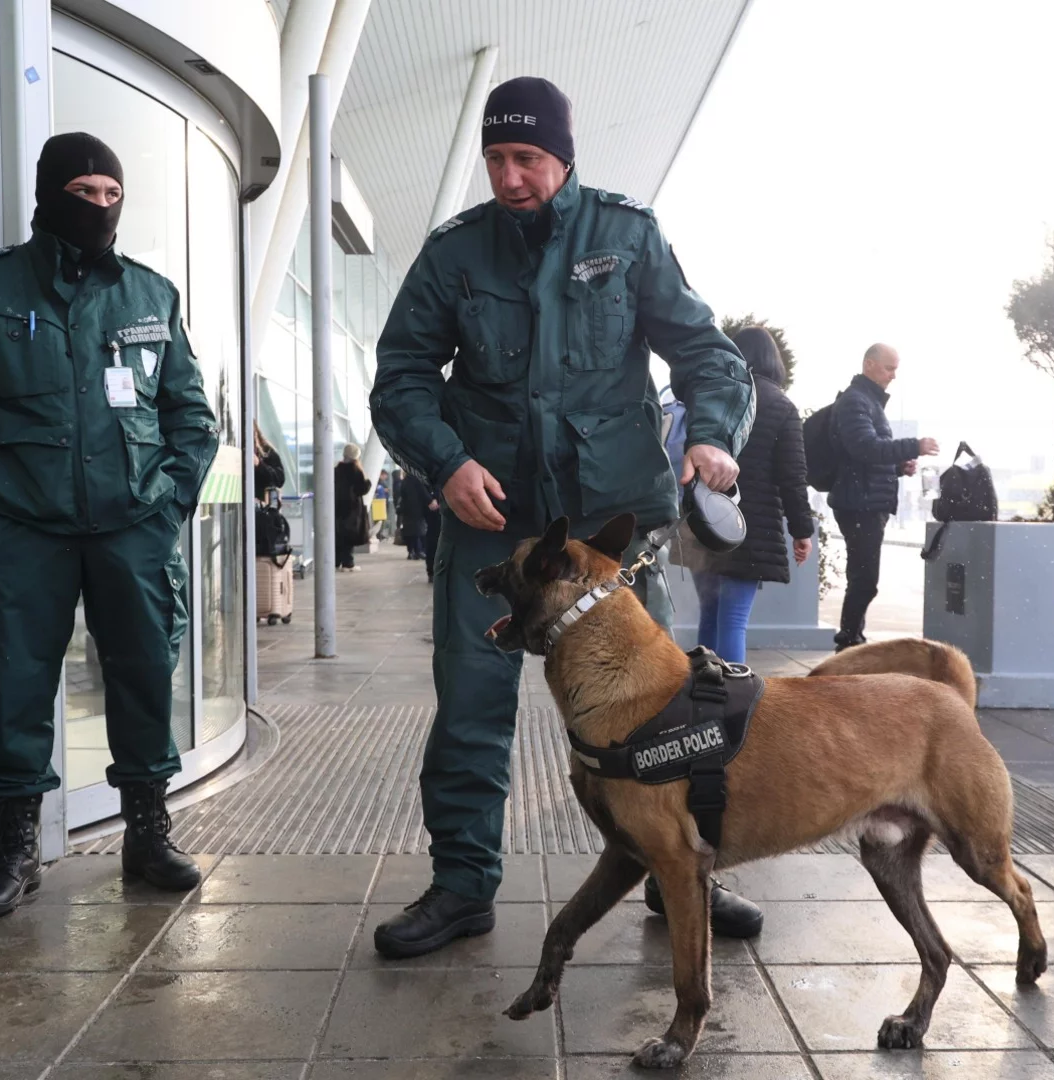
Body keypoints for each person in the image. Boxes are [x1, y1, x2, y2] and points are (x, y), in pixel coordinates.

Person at [368, 75, 760, 958]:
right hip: (494, 521)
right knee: (471, 705)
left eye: (528, 158)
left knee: (662, 711)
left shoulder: (626, 236)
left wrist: (714, 439)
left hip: (607, 534)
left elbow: (707, 353)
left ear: (564, 157)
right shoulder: (454, 254)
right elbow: (399, 378)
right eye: (497, 158)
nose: (510, 176)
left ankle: (679, 875)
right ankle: (463, 886)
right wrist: (447, 460)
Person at [0, 132, 219, 919]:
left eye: (113, 196)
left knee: (145, 672)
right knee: (16, 682)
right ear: (51, 195)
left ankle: (147, 833)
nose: (101, 208)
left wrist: (169, 503)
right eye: (86, 193)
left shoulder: (150, 295)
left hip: (132, 527)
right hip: (23, 529)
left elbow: (190, 414)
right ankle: (14, 845)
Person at [691, 327, 815, 664]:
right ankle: (732, 700)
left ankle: (701, 691)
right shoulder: (780, 406)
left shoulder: (714, 396)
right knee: (732, 620)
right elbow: (793, 477)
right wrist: (802, 531)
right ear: (773, 360)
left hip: (704, 521)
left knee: (710, 615)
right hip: (748, 529)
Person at [829, 344, 938, 651]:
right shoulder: (855, 402)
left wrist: (898, 467)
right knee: (864, 580)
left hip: (866, 500)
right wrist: (913, 446)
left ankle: (851, 639)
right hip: (859, 504)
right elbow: (864, 447)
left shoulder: (868, 403)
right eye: (889, 368)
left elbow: (868, 454)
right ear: (869, 365)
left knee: (864, 579)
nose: (893, 376)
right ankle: (848, 642)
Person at [334, 443, 371, 571]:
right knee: (349, 537)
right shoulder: (355, 470)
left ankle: (336, 562)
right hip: (352, 509)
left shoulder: (336, 470)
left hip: (338, 508)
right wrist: (367, 481)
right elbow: (362, 489)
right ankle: (348, 563)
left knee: (339, 536)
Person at [397, 468, 432, 561]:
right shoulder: (418, 480)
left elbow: (401, 494)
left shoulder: (405, 481)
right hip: (417, 509)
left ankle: (410, 551)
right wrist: (430, 501)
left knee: (409, 531)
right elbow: (423, 493)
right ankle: (418, 551)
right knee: (418, 531)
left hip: (407, 510)